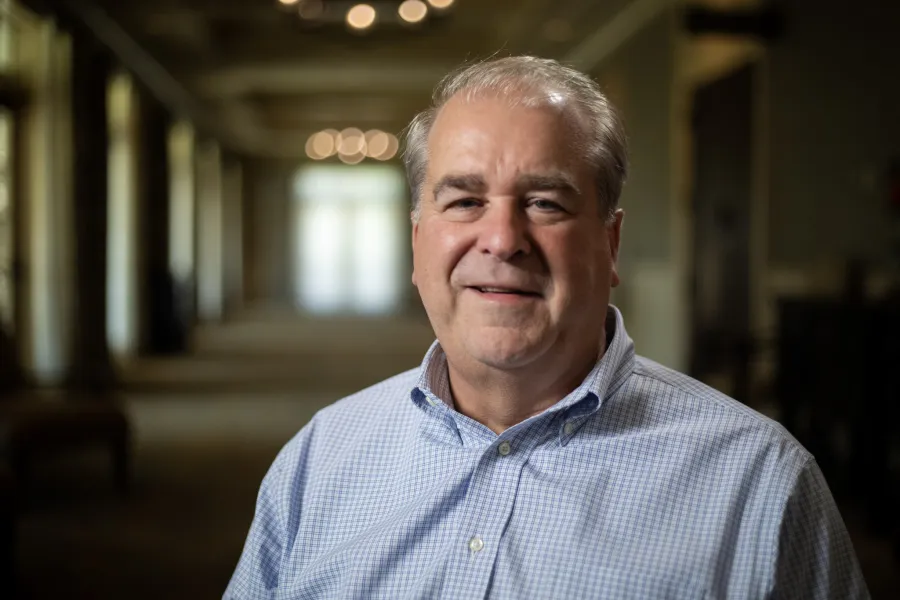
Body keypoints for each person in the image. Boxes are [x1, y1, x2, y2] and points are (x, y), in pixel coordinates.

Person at [225, 56, 868, 599]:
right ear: (419, 242)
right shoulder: (318, 461)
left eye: (544, 202)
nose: (502, 239)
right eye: (466, 200)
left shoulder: (760, 486)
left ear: (610, 245)